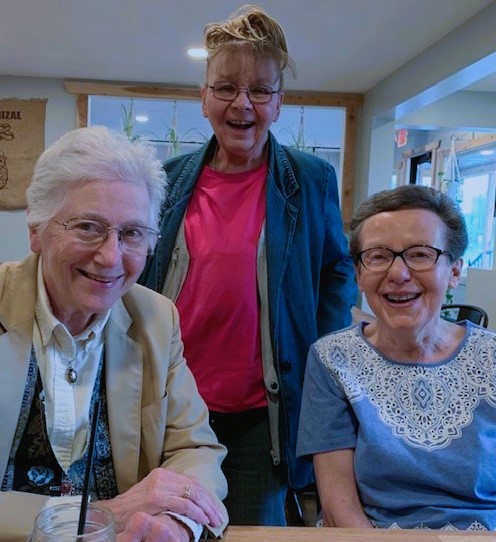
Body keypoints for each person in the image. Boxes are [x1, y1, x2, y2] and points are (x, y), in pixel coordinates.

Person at [139, 4, 357, 526]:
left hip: (263, 413)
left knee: (253, 529)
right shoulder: (166, 179)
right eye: (226, 88)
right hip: (174, 404)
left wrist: (317, 356)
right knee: (170, 525)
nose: (242, 103)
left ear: (278, 104)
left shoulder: (311, 179)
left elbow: (337, 272)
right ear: (204, 98)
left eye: (260, 90)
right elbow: (139, 270)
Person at [0, 126, 228, 542]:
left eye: (132, 233)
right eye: (88, 227)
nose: (110, 257)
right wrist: (98, 515)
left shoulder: (156, 319)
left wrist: (176, 521)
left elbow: (195, 450)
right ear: (36, 229)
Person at [297, 184, 496, 530]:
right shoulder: (333, 360)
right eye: (378, 256)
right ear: (359, 274)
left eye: (419, 254)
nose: (398, 274)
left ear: (454, 271)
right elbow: (339, 505)